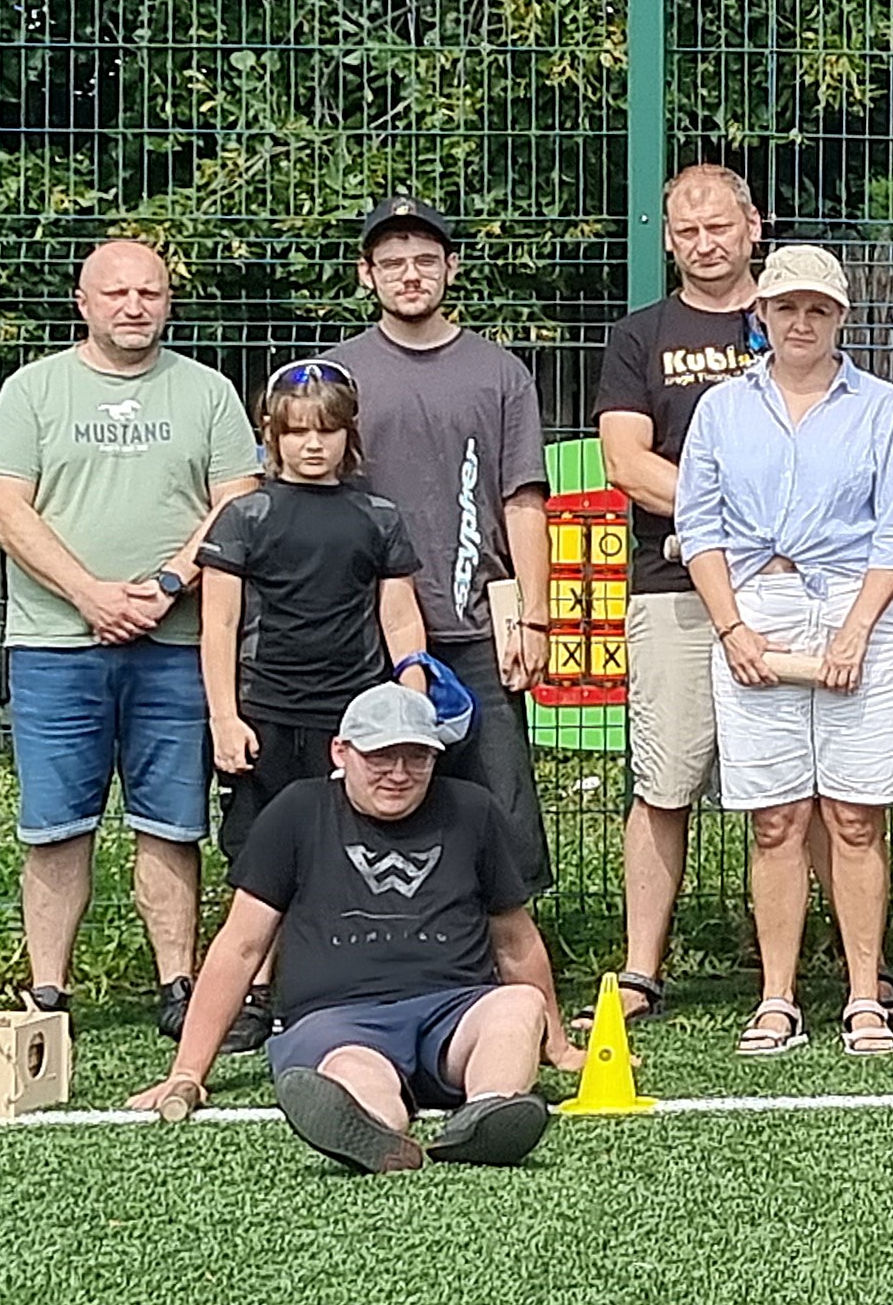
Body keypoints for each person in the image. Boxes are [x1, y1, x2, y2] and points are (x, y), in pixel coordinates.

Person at [0, 238, 261, 1033]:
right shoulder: (33, 391)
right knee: (55, 826)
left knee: (171, 822)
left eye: (150, 292)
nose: (134, 306)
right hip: (56, 644)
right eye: (116, 293)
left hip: (175, 644)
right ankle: (48, 995)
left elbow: (237, 502)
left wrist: (168, 583)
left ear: (168, 301)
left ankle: (179, 987)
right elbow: (4, 508)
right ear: (83, 302)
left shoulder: (207, 393)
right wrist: (90, 595)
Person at [129, 683, 570, 1173]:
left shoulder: (473, 810)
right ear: (341, 752)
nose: (399, 774)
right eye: (380, 757)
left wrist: (556, 1043)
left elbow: (515, 940)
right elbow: (241, 947)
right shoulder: (297, 811)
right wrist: (188, 1071)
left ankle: (488, 1115)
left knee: (517, 1005)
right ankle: (377, 1130)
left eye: (417, 757)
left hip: (455, 1013)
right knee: (351, 1068)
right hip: (338, 1021)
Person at [680, 244, 893, 1061]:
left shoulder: (883, 407)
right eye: (786, 307)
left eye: (817, 308)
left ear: (840, 317)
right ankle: (777, 997)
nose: (800, 322)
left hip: (862, 606)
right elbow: (699, 528)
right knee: (776, 817)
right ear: (762, 314)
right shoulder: (721, 408)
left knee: (855, 815)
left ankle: (864, 995)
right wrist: (732, 629)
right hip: (755, 606)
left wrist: (855, 629)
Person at [326, 196, 555, 900]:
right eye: (392, 262)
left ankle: (508, 945)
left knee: (500, 804)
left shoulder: (499, 373)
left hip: (475, 626)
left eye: (425, 260)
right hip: (364, 631)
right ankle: (380, 933)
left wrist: (535, 618)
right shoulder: (337, 374)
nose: (410, 275)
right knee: (375, 792)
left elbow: (523, 500)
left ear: (451, 268)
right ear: (366, 274)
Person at [593, 164, 765, 1026]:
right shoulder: (639, 336)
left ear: (752, 226)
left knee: (799, 787)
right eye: (687, 230)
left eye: (719, 226)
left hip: (788, 585)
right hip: (672, 589)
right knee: (663, 782)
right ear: (667, 239)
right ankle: (640, 970)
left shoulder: (792, 315)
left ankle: (844, 969)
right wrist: (735, 517)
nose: (704, 243)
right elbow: (625, 461)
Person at [198, 362, 429, 894]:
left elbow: (400, 618)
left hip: (351, 714)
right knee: (258, 852)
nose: (312, 444)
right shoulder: (245, 516)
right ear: (272, 437)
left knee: (348, 845)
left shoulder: (378, 516)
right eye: (297, 431)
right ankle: (260, 952)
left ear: (349, 434)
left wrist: (413, 704)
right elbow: (219, 623)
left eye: (327, 430)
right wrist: (224, 719)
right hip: (265, 713)